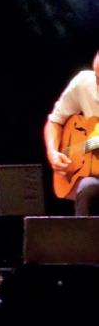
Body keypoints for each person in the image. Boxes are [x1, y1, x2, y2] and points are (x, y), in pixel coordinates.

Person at [43, 50, 99, 216]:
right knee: (87, 188)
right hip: (94, 174)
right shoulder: (84, 83)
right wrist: (53, 153)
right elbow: (55, 121)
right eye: (97, 78)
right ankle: (83, 234)